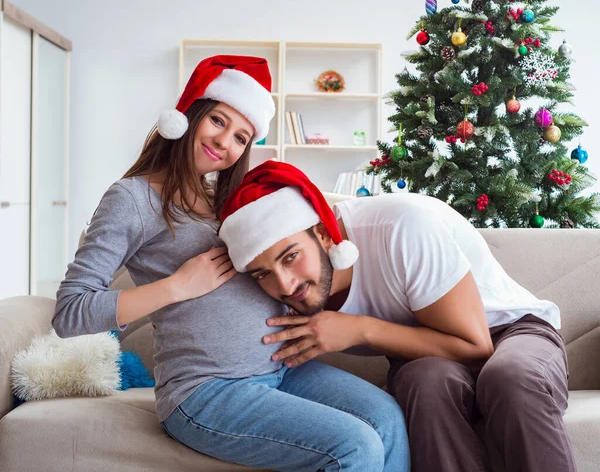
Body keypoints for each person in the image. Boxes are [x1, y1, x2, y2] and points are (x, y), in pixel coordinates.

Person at [52, 55, 409, 472]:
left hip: (282, 370)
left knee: (386, 418)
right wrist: (178, 286)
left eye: (241, 137)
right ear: (189, 116)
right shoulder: (131, 199)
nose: (225, 143)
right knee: (355, 446)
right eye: (219, 121)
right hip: (207, 391)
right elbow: (69, 313)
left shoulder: (228, 200)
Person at [218, 159, 576, 472]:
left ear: (324, 234)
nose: (284, 284)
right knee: (424, 383)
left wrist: (359, 329)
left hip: (510, 331)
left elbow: (477, 347)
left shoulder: (402, 227)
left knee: (509, 378)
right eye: (262, 273)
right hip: (424, 352)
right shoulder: (277, 291)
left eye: (290, 256)